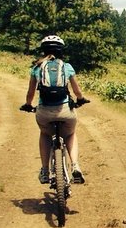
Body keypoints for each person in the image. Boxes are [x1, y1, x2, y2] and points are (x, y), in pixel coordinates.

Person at [21, 35, 88, 184]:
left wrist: (27, 104)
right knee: (70, 134)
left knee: (45, 134)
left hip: (44, 111)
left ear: (43, 50)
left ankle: (45, 171)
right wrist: (81, 99)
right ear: (60, 51)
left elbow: (30, 93)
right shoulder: (67, 66)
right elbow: (77, 91)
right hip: (65, 110)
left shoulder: (37, 68)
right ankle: (75, 165)